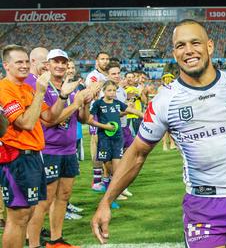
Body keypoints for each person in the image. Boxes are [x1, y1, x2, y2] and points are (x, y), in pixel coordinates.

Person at [91, 20, 226, 247]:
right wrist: (106, 201)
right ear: (174, 52)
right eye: (181, 45)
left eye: (195, 43)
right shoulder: (164, 101)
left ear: (210, 46)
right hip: (203, 205)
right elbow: (138, 152)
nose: (188, 50)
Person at [0, 45, 77, 248]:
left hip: (34, 155)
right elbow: (25, 122)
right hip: (17, 157)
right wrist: (41, 92)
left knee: (30, 212)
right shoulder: (4, 88)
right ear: (6, 65)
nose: (25, 65)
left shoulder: (26, 88)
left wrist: (62, 96)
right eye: (19, 62)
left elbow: (49, 117)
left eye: (27, 61)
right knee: (17, 217)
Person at [24, 49, 95, 248]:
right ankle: (35, 243)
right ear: (47, 65)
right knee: (43, 202)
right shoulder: (42, 87)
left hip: (68, 149)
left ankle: (56, 239)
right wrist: (74, 103)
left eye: (64, 62)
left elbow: (82, 119)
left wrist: (85, 104)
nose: (61, 66)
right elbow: (49, 121)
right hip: (48, 150)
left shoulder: (69, 87)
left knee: (63, 196)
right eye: (56, 62)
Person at [86, 80, 143, 208]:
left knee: (116, 170)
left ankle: (112, 197)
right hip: (104, 139)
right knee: (108, 167)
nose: (112, 93)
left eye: (114, 90)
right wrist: (104, 126)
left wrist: (143, 115)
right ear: (104, 91)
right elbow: (89, 120)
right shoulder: (98, 104)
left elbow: (130, 111)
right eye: (109, 90)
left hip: (118, 138)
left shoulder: (117, 103)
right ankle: (108, 191)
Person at [86, 52, 110, 192]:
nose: (105, 61)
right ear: (97, 61)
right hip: (97, 114)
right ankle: (96, 181)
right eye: (102, 59)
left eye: (107, 59)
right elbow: (92, 93)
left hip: (108, 115)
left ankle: (105, 178)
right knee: (96, 144)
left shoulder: (107, 76)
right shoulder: (94, 76)